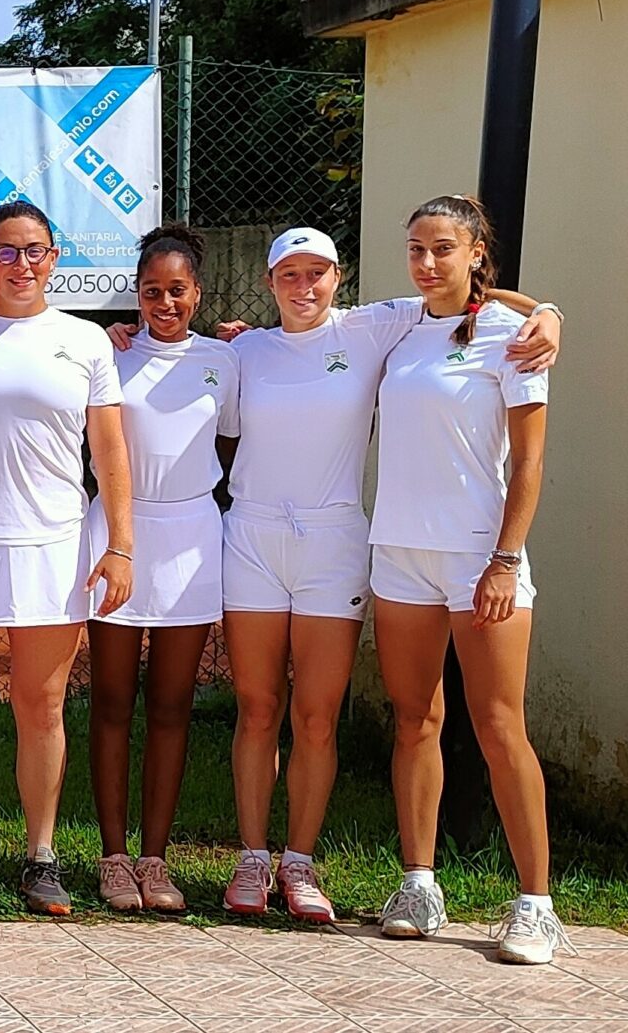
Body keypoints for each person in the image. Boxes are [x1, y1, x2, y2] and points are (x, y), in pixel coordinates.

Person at [209, 227, 554, 921]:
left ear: (340, 278)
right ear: (270, 280)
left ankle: (303, 865)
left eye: (318, 272)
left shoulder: (372, 327)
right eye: (288, 274)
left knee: (320, 715)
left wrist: (548, 310)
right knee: (261, 708)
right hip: (265, 542)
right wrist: (128, 337)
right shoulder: (242, 350)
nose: (303, 287)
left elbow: (464, 293)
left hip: (341, 542)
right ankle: (257, 859)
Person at [0, 200, 134, 917]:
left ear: (55, 259)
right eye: (5, 252)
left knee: (42, 706)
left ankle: (41, 856)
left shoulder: (88, 343)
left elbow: (109, 453)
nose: (21, 264)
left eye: (35, 250)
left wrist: (120, 547)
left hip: (53, 544)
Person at [370, 196, 562, 963]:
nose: (425, 262)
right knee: (415, 718)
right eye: (415, 247)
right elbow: (310, 302)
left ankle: (535, 904)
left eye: (443, 249)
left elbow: (531, 462)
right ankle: (421, 881)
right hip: (399, 557)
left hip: (482, 558)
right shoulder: (398, 325)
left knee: (497, 725)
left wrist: (506, 559)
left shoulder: (512, 338)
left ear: (477, 252)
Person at [82, 226, 238, 914]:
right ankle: (113, 858)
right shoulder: (107, 355)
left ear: (197, 293)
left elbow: (228, 442)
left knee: (173, 705)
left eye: (177, 290)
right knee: (113, 700)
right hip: (118, 534)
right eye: (152, 290)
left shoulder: (225, 360)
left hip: (193, 539)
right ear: (137, 295)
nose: (165, 302)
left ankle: (156, 858)